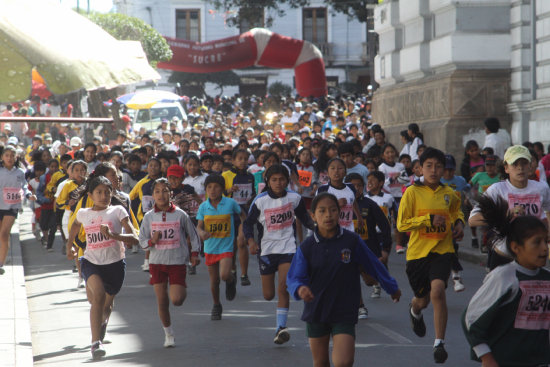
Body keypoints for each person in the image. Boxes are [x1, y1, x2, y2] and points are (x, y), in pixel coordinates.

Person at [287, 192, 401, 367]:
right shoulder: (307, 247)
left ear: (340, 212)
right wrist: (300, 288)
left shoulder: (352, 241)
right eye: (322, 211)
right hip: (316, 312)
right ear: (313, 216)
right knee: (320, 362)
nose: (328, 215)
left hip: (344, 310)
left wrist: (391, 287)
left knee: (343, 362)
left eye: (333, 210)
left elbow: (373, 265)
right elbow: (294, 277)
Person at [462, 195, 550, 367]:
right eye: (536, 243)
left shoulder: (547, 278)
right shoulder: (504, 277)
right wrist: (486, 357)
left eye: (546, 242)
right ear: (516, 247)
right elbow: (471, 319)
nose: (544, 249)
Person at [397, 147, 465, 364]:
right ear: (420, 168)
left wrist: (459, 223)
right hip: (417, 255)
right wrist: (427, 220)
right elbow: (401, 224)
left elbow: (457, 211)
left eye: (438, 166)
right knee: (423, 301)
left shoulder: (449, 193)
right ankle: (414, 310)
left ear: (443, 169)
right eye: (429, 166)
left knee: (437, 291)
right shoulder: (411, 193)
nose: (433, 170)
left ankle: (439, 343)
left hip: (442, 251)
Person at [65, 176, 139, 360]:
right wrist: (70, 246)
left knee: (106, 304)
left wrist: (114, 235)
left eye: (107, 192)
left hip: (114, 264)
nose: (103, 195)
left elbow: (134, 238)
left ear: (112, 193)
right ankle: (95, 342)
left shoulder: (118, 210)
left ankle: (103, 322)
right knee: (97, 297)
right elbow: (74, 227)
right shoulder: (83, 213)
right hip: (91, 261)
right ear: (90, 195)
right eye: (98, 192)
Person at [243, 165, 314, 344]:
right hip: (266, 250)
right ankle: (279, 324)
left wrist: (320, 230)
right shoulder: (260, 201)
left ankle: (281, 328)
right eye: (274, 179)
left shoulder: (294, 198)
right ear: (267, 181)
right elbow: (247, 224)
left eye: (281, 179)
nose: (278, 183)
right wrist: (251, 241)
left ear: (287, 180)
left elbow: (305, 219)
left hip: (287, 248)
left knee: (283, 287)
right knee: (268, 294)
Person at [139, 178, 201, 348]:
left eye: (164, 190)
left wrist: (195, 253)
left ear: (170, 193)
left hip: (177, 261)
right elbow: (142, 240)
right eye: (157, 191)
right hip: (157, 263)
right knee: (162, 301)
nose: (161, 194)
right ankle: (169, 334)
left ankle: (180, 290)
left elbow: (193, 235)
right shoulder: (149, 216)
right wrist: (152, 241)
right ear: (153, 195)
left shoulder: (180, 214)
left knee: (177, 299)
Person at [469, 145, 550, 270]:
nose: (520, 168)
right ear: (506, 168)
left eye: (524, 163)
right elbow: (473, 220)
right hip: (504, 255)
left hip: (531, 255)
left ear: (530, 165)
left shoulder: (541, 188)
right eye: (515, 164)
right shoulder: (497, 190)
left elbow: (548, 211)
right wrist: (505, 215)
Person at [196, 174, 246, 320]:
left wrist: (242, 233)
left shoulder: (230, 203)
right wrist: (202, 233)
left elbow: (243, 216)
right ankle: (216, 305)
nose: (212, 190)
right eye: (209, 187)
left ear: (222, 189)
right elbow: (199, 226)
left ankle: (231, 280)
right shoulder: (203, 207)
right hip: (210, 247)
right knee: (214, 280)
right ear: (205, 189)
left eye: (216, 187)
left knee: (224, 275)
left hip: (226, 246)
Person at [0, 146, 36, 274]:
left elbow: (24, 186)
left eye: (12, 155)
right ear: (2, 157)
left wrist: (28, 195)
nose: (9, 158)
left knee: (4, 234)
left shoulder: (20, 172)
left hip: (11, 207)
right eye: (7, 155)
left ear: (16, 157)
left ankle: (1, 264)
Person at [222, 149, 255, 286]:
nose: (242, 161)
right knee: (232, 245)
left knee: (241, 242)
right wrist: (229, 191)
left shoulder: (250, 176)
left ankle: (244, 274)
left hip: (244, 213)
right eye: (239, 158)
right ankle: (234, 270)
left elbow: (253, 193)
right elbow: (218, 194)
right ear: (233, 160)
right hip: (229, 213)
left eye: (245, 158)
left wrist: (251, 199)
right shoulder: (225, 175)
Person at [316, 158, 363, 233]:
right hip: (330, 231)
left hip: (349, 230)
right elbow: (318, 210)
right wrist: (336, 204)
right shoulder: (323, 190)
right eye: (332, 168)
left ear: (345, 172)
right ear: (327, 173)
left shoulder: (351, 187)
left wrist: (359, 217)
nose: (336, 171)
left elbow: (353, 201)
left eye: (340, 168)